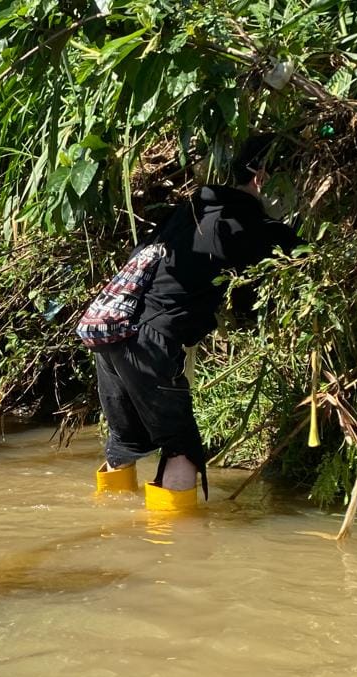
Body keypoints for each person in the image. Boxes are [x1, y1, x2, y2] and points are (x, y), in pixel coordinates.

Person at [89, 134, 302, 511]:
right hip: (151, 342)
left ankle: (110, 526)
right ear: (262, 178)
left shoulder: (186, 212)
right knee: (181, 449)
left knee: (124, 444)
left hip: (111, 330)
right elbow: (255, 297)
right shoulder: (244, 222)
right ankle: (171, 551)